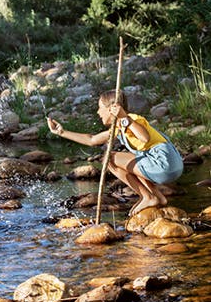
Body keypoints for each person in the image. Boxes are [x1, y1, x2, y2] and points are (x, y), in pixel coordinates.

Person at [47, 90, 183, 216]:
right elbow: (92, 139)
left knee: (110, 158)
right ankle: (157, 197)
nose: (98, 112)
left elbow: (144, 137)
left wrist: (124, 117)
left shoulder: (131, 119)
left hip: (164, 163)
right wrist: (61, 132)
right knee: (130, 161)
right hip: (172, 166)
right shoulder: (119, 127)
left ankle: (148, 197)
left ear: (112, 108)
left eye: (100, 108)